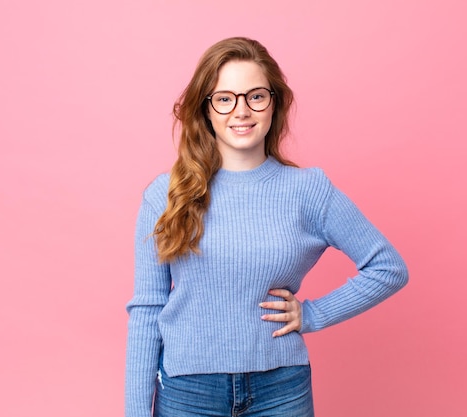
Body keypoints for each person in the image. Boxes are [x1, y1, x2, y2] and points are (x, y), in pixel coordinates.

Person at [125, 37, 408, 417]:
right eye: (224, 98)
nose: (241, 110)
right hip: (188, 392)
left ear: (274, 103)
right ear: (206, 109)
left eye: (255, 96)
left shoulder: (308, 190)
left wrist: (312, 315)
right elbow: (147, 310)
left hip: (281, 389)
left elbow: (388, 268)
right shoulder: (166, 194)